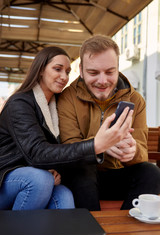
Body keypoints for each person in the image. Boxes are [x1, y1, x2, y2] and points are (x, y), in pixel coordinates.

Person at [0, 46, 133, 210]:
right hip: (6, 178)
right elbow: (36, 153)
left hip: (40, 174)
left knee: (64, 195)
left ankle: (79, 234)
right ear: (40, 70)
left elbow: (56, 152)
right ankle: (16, 234)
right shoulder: (19, 104)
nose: (64, 77)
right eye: (57, 69)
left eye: (68, 71)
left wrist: (55, 170)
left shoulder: (55, 106)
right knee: (40, 180)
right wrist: (95, 145)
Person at [57, 35, 160, 211]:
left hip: (119, 177)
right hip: (84, 179)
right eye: (93, 72)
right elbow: (69, 148)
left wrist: (132, 151)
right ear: (81, 70)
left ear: (118, 68)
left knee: (152, 172)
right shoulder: (67, 98)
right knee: (83, 169)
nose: (103, 81)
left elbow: (142, 153)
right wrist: (99, 145)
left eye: (110, 72)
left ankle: (127, 230)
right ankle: (91, 229)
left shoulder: (136, 100)